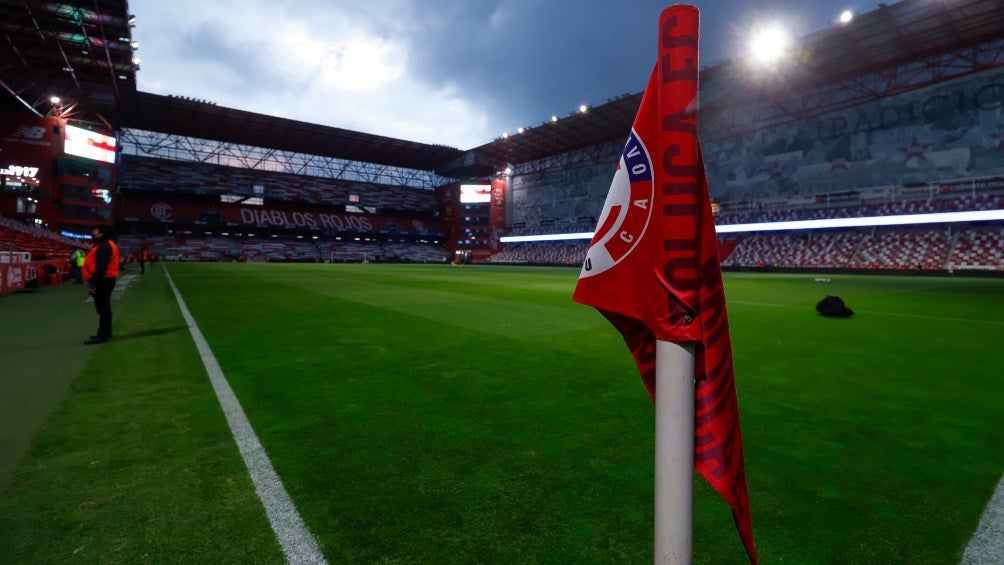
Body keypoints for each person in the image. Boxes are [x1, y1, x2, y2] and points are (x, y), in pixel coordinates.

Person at [82, 225, 120, 345]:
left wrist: (93, 285)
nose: (93, 232)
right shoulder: (108, 245)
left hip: (103, 281)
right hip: (106, 280)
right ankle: (105, 333)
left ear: (102, 234)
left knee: (103, 309)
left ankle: (103, 335)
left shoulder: (104, 246)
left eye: (95, 231)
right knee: (104, 309)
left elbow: (101, 267)